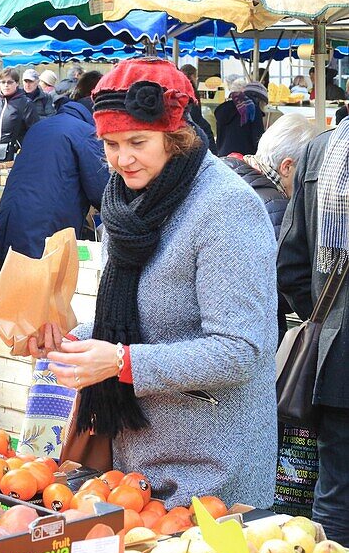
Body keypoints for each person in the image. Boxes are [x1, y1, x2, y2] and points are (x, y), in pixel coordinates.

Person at [28, 57, 277, 509]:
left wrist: (122, 363)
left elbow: (243, 349)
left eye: (138, 141)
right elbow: (133, 317)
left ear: (175, 136)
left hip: (212, 469)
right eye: (110, 144)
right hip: (135, 463)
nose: (123, 159)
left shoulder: (227, 208)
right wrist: (68, 341)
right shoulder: (124, 201)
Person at [278, 119, 349, 546]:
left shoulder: (323, 151)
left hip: (337, 358)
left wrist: (328, 317)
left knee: (337, 490)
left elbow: (290, 264)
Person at [0, 71, 109, 266]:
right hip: (45, 230)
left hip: (13, 220)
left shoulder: (41, 126)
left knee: (15, 286)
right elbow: (101, 191)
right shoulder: (85, 133)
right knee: (39, 289)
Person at [224, 113, 313, 340]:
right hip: (250, 335)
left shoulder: (224, 169)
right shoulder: (277, 207)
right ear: (287, 167)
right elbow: (284, 289)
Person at [0, 67, 38, 158]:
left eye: (10, 82)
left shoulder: (25, 103)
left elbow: (34, 132)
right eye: (3, 82)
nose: (6, 85)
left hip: (15, 154)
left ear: (16, 83)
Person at [215, 79, 267, 157]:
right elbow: (258, 140)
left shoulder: (226, 107)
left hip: (223, 157)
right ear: (259, 100)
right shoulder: (253, 109)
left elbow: (219, 137)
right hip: (243, 159)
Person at [179, 64, 215, 143]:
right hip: (193, 126)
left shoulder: (178, 87)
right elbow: (195, 114)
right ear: (192, 76)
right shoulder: (191, 89)